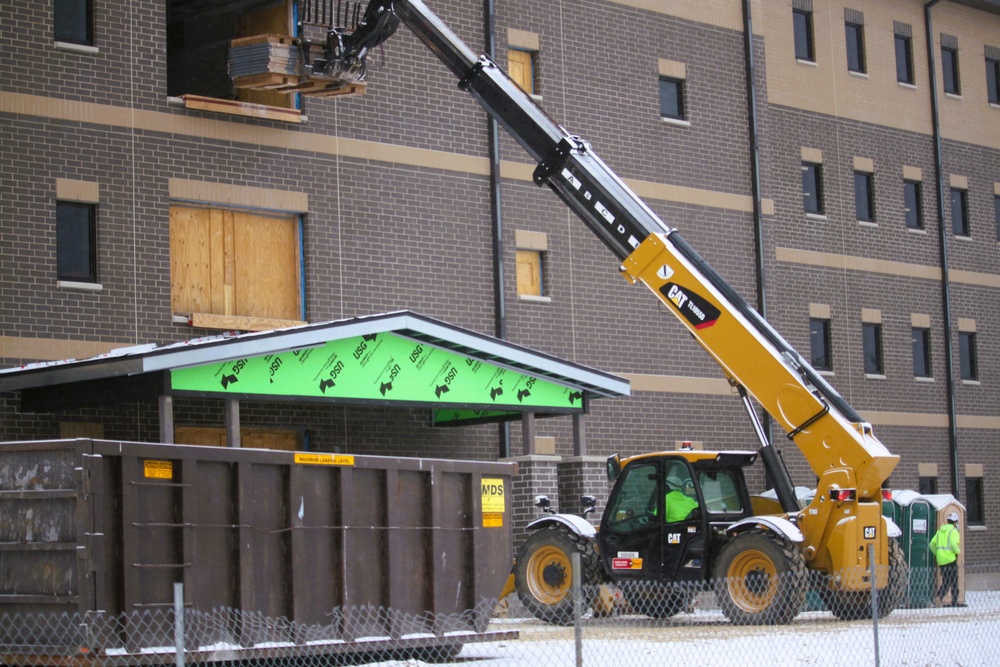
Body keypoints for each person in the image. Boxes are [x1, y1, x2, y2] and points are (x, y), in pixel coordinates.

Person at [929, 511, 963, 607]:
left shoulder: (939, 531)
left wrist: (937, 554)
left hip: (941, 561)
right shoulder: (954, 531)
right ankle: (954, 602)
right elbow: (953, 543)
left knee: (946, 581)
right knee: (954, 582)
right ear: (955, 521)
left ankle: (939, 597)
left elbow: (931, 544)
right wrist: (958, 552)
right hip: (950, 560)